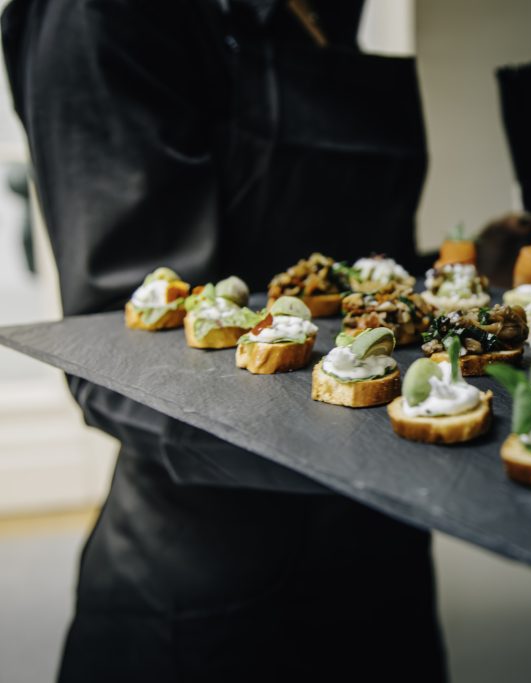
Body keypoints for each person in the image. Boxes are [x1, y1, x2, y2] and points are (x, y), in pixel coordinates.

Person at [2, 0, 447, 680]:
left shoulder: (326, 13)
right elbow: (117, 350)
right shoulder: (100, 17)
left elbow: (324, 278)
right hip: (219, 589)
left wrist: (445, 278)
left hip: (384, 545)